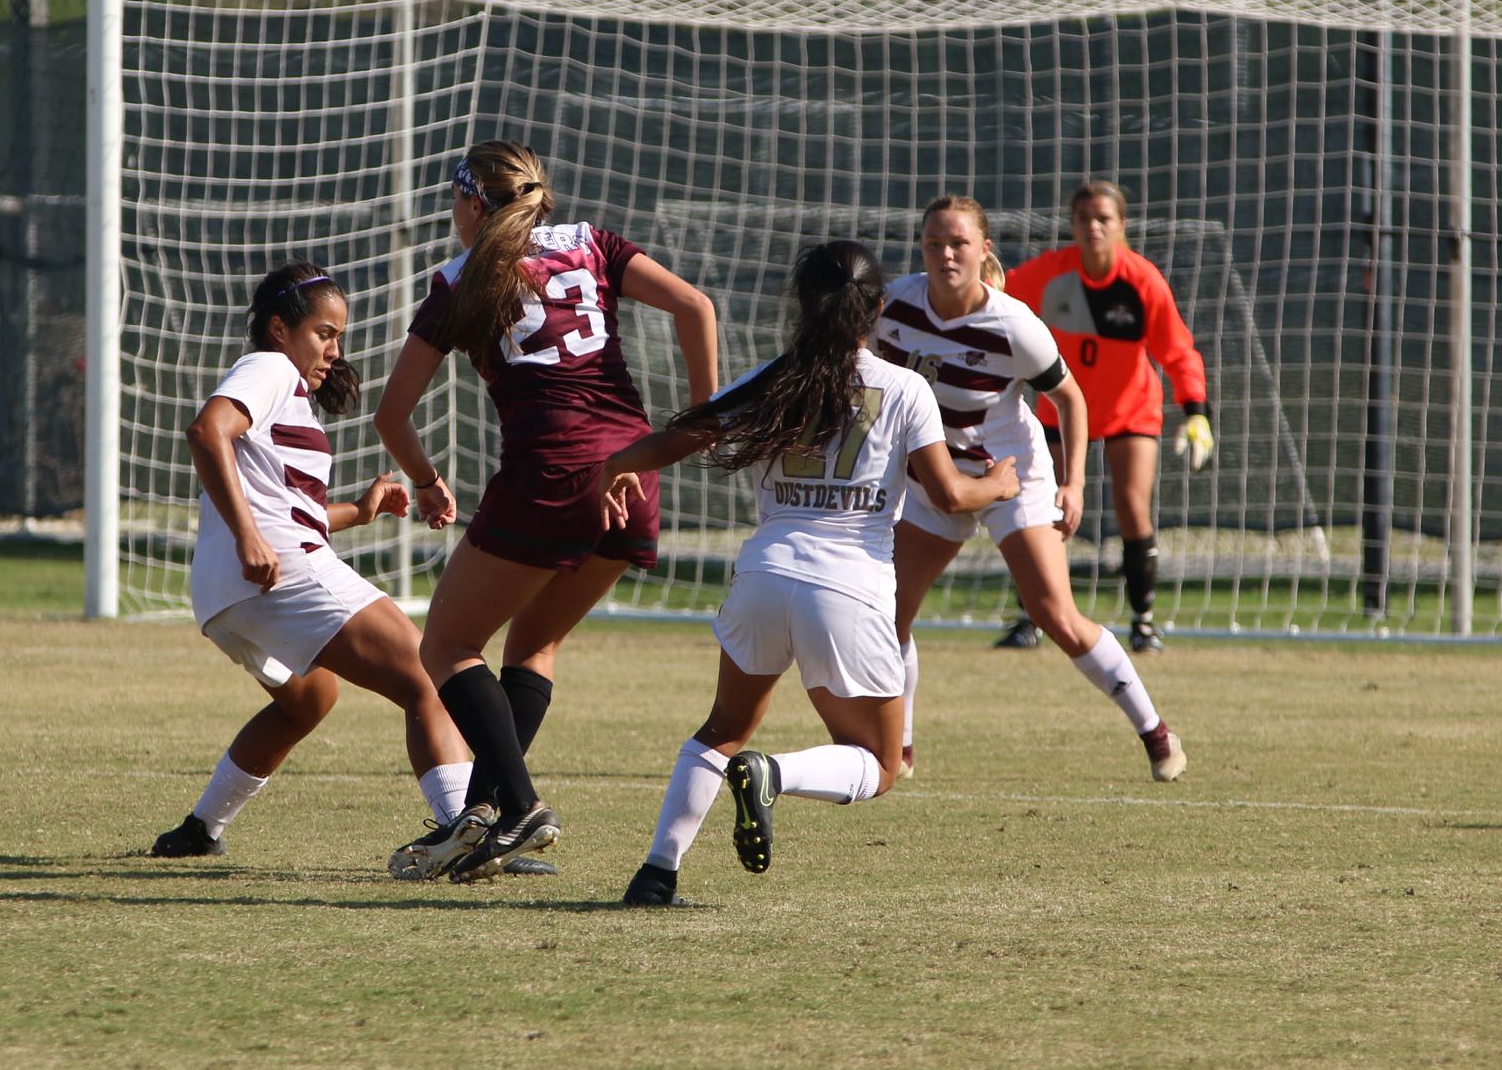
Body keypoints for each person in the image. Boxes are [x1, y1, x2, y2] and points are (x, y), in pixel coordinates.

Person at [601, 240, 1019, 908]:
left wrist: (616, 464)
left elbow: (682, 435)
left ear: (801, 305)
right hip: (849, 587)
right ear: (878, 310)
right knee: (880, 765)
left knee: (720, 730)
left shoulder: (771, 379)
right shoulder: (904, 387)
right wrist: (996, 484)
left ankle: (657, 872)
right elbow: (948, 496)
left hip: (764, 575)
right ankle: (772, 774)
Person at [374, 138, 719, 882]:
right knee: (531, 647)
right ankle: (478, 826)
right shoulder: (593, 243)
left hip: (552, 471)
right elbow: (697, 304)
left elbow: (392, 415)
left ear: (472, 204)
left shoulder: (462, 278)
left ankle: (521, 809)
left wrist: (427, 481)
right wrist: (699, 421)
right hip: (635, 471)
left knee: (445, 647)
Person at [149, 262, 486, 878]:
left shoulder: (284, 386)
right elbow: (206, 432)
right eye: (324, 333)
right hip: (275, 575)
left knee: (306, 702)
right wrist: (251, 538)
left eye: (338, 337)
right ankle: (464, 838)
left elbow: (283, 508)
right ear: (279, 328)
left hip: (227, 594)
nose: (333, 350)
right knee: (429, 673)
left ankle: (200, 829)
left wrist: (359, 511)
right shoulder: (270, 366)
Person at [880, 195, 1187, 783]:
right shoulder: (893, 305)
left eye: (959, 243)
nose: (945, 254)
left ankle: (1155, 731)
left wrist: (1072, 483)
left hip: (1012, 477)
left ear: (984, 251)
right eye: (934, 243)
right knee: (888, 617)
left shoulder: (1014, 324)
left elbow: (1069, 399)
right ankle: (901, 748)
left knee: (1055, 616)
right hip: (934, 480)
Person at [996, 179, 1213, 655]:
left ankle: (1143, 621)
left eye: (1103, 219)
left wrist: (1196, 411)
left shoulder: (1141, 280)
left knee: (1132, 506)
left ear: (1121, 226)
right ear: (1072, 224)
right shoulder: (1051, 274)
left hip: (1129, 408)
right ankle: (1032, 616)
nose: (1093, 227)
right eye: (1083, 219)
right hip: (1061, 406)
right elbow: (1000, 295)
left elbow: (1178, 351)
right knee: (1044, 508)